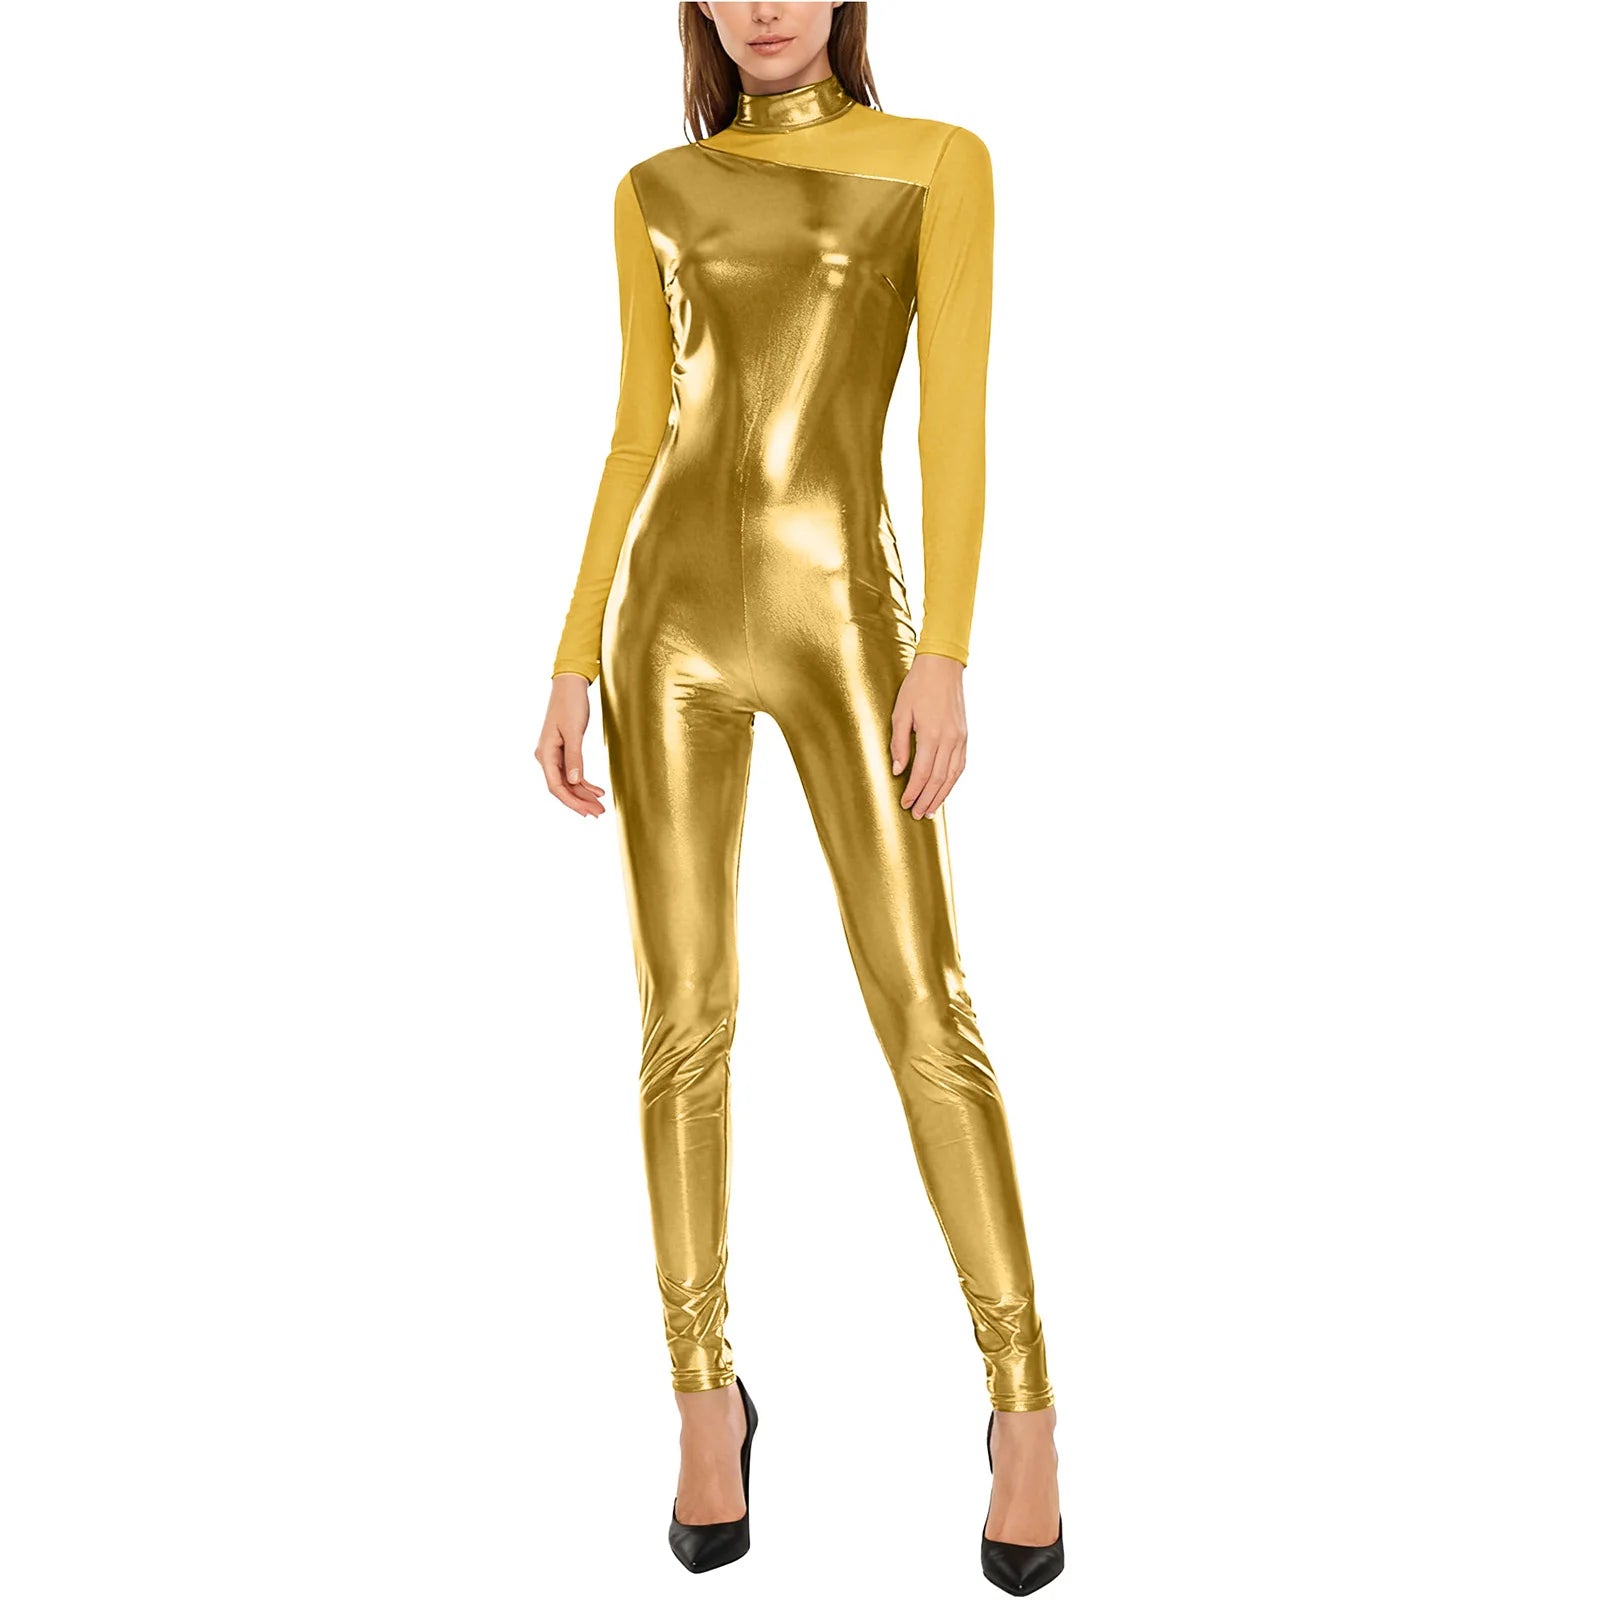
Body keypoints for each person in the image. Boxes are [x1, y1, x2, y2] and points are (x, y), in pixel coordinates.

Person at [536, 5, 1063, 1589]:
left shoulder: (935, 163)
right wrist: (571, 654)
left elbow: (954, 416)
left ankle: (1024, 1411)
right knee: (682, 1014)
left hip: (850, 628)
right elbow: (639, 430)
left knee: (924, 1002)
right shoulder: (655, 191)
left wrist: (945, 648)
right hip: (668, 631)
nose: (765, 5)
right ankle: (705, 1402)